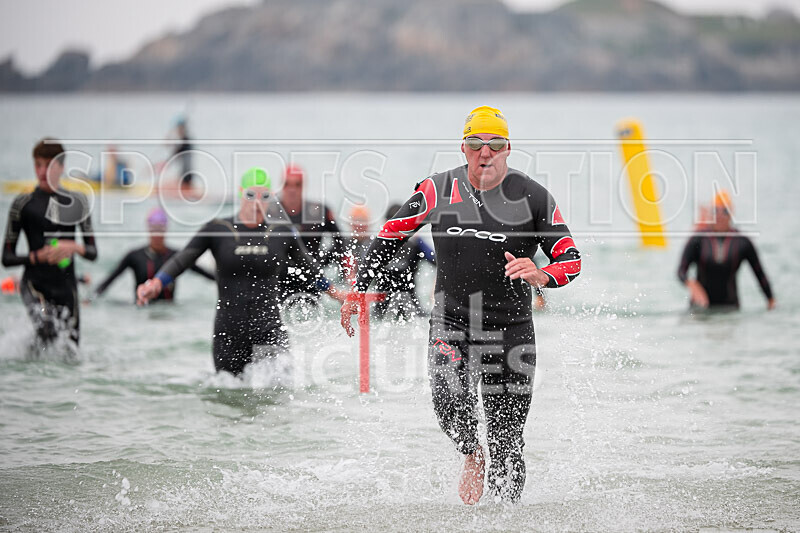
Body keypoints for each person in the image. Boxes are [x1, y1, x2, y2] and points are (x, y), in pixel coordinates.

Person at [340, 106, 581, 504]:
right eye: (475, 145)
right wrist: (357, 289)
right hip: (451, 318)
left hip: (511, 329)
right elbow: (389, 236)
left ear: (508, 149)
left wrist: (542, 275)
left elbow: (571, 258)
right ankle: (471, 453)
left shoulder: (533, 197)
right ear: (463, 148)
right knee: (447, 396)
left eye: (495, 145)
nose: (485, 153)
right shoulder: (437, 189)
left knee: (508, 442)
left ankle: (507, 520)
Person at [136, 168, 342, 376]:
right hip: (229, 334)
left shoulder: (281, 232)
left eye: (265, 196)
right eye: (251, 195)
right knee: (227, 397)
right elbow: (182, 260)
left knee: (276, 398)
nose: (257, 202)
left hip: (268, 332)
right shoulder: (218, 230)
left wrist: (337, 293)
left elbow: (310, 269)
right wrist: (157, 283)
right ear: (241, 193)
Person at [2, 138, 98, 347]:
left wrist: (73, 247)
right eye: (38, 165)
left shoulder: (77, 202)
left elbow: (92, 252)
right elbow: (6, 258)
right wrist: (36, 256)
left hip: (66, 286)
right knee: (47, 329)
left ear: (61, 167)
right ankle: (30, 376)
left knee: (71, 349)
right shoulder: (22, 205)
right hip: (34, 285)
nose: (43, 171)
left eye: (50, 165)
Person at [91, 208, 215, 303]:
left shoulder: (176, 258)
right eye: (154, 229)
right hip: (141, 310)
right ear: (148, 229)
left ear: (166, 229)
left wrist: (227, 280)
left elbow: (204, 274)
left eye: (160, 229)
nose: (157, 234)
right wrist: (92, 297)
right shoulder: (134, 256)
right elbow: (111, 279)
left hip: (169, 312)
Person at [678, 191, 775, 310]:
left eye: (724, 211)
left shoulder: (742, 242)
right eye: (715, 211)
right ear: (710, 214)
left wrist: (771, 300)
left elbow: (759, 274)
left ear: (731, 214)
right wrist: (692, 284)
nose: (719, 215)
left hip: (730, 310)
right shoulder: (698, 239)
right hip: (700, 311)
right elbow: (681, 272)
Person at [276, 164, 345, 303]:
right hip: (279, 282)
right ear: (281, 186)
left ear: (303, 186)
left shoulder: (319, 211)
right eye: (287, 184)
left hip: (311, 280)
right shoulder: (271, 213)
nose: (292, 190)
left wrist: (323, 261)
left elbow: (340, 241)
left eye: (297, 185)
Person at [370, 203, 436, 320]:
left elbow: (438, 263)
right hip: (400, 311)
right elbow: (442, 264)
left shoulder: (416, 244)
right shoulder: (378, 245)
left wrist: (435, 286)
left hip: (403, 309)